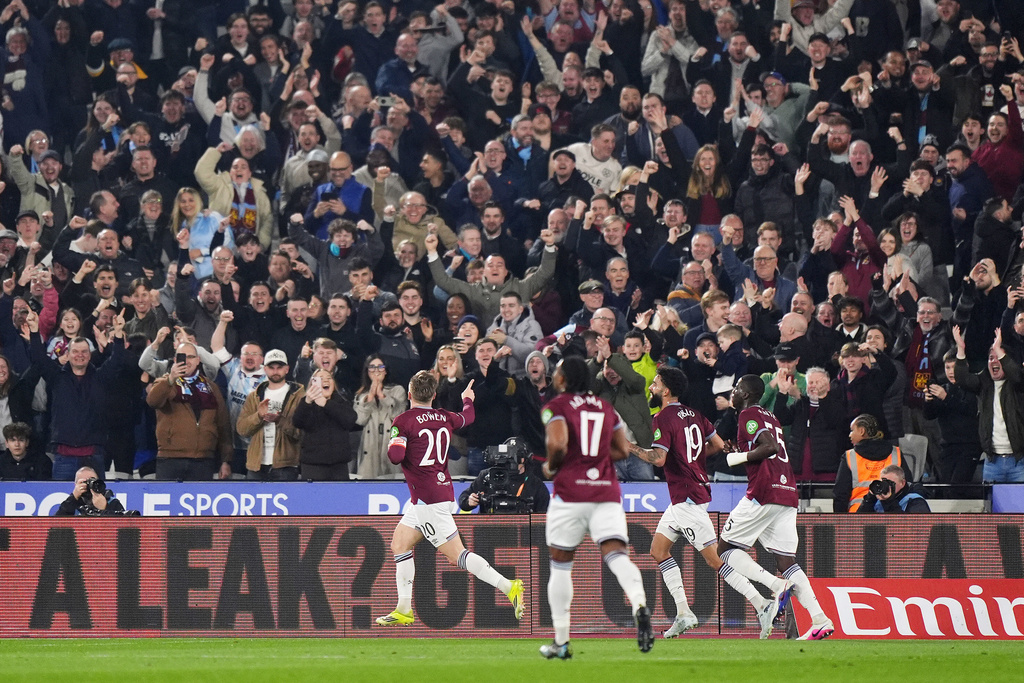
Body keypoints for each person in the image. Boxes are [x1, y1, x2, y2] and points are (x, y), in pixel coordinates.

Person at [626, 367, 776, 638]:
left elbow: (658, 459)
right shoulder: (695, 414)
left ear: (666, 390)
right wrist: (691, 460)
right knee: (658, 551)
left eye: (655, 383)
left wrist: (630, 447)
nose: (651, 387)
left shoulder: (662, 417)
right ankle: (684, 613)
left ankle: (762, 603)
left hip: (687, 497)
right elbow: (717, 444)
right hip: (688, 493)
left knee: (715, 559)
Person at [376, 371, 525, 626]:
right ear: (434, 396)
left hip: (428, 499)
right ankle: (403, 608)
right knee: (400, 544)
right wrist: (467, 398)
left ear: (409, 394)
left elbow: (395, 457)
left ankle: (508, 585)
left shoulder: (404, 420)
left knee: (458, 555)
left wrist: (396, 438)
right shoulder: (444, 416)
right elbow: (468, 417)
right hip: (437, 493)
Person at [539, 355, 652, 659]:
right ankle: (640, 604)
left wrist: (552, 467)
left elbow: (559, 444)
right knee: (616, 555)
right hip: (606, 491)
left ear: (563, 379)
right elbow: (623, 449)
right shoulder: (606, 407)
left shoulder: (556, 407)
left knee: (561, 565)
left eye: (557, 371)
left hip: (570, 494)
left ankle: (561, 642)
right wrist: (596, 459)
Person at [719, 375, 834, 641]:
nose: (733, 393)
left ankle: (776, 585)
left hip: (763, 491)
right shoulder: (770, 416)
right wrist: (742, 449)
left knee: (724, 550)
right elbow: (768, 446)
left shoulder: (747, 413)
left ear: (746, 393)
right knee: (787, 561)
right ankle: (820, 619)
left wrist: (736, 457)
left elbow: (768, 448)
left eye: (736, 389)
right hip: (787, 491)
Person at [147, 341, 233, 480]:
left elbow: (223, 425)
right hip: (170, 459)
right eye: (182, 357)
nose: (186, 361)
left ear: (198, 360)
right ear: (175, 360)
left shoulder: (211, 387)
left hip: (203, 460)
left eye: (191, 357)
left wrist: (225, 460)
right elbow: (152, 401)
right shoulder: (164, 382)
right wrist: (170, 379)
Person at [235, 349, 306, 480]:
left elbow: (303, 432)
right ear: (265, 369)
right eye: (271, 367)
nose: (275, 371)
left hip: (286, 464)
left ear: (287, 369)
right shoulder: (254, 396)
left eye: (279, 367)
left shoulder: (299, 396)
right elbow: (242, 429)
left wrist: (280, 420)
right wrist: (258, 416)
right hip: (256, 464)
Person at [293, 369, 359, 480]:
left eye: (329, 378)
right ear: (313, 383)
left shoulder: (341, 401)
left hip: (339, 465)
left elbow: (350, 419)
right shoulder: (306, 403)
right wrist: (308, 401)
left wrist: (326, 403)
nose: (326, 381)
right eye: (321, 379)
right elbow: (298, 422)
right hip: (313, 464)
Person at [833, 414, 906, 512]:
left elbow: (840, 495)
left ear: (861, 431)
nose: (850, 435)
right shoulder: (895, 453)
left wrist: (840, 522)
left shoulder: (849, 456)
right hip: (890, 512)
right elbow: (906, 485)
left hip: (858, 516)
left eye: (852, 430)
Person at [458, 438, 550, 514]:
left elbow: (543, 517)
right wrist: (469, 501)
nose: (511, 460)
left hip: (522, 530)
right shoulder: (487, 475)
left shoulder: (535, 483)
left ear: (524, 458)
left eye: (516, 456)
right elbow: (464, 499)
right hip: (488, 528)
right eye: (508, 456)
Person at [354, 354, 408, 479]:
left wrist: (382, 396)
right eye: (372, 367)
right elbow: (360, 420)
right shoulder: (361, 395)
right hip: (369, 450)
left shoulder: (397, 390)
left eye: (380, 367)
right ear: (367, 371)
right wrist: (369, 398)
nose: (376, 371)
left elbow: (398, 416)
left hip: (390, 446)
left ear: (386, 370)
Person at [53, 466, 129, 517]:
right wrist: (73, 497)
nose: (89, 485)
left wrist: (105, 509)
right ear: (76, 485)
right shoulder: (71, 504)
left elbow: (121, 528)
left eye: (92, 481)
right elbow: (56, 526)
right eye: (84, 482)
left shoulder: (111, 502)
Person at [856, 464, 931, 514]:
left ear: (902, 483)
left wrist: (889, 501)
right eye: (883, 482)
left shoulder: (915, 501)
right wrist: (869, 499)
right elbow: (858, 524)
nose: (886, 486)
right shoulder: (878, 500)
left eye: (890, 483)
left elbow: (908, 529)